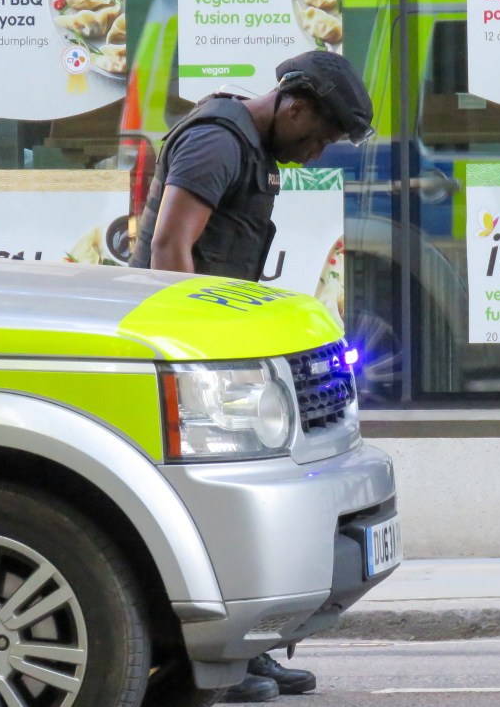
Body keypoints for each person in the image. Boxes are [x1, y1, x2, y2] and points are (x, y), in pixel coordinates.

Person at [128, 50, 374, 703]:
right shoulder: (218, 143)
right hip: (190, 359)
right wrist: (196, 353)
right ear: (294, 105)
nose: (319, 152)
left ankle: (246, 654)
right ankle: (223, 662)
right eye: (320, 135)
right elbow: (168, 248)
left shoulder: (250, 146)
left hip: (214, 352)